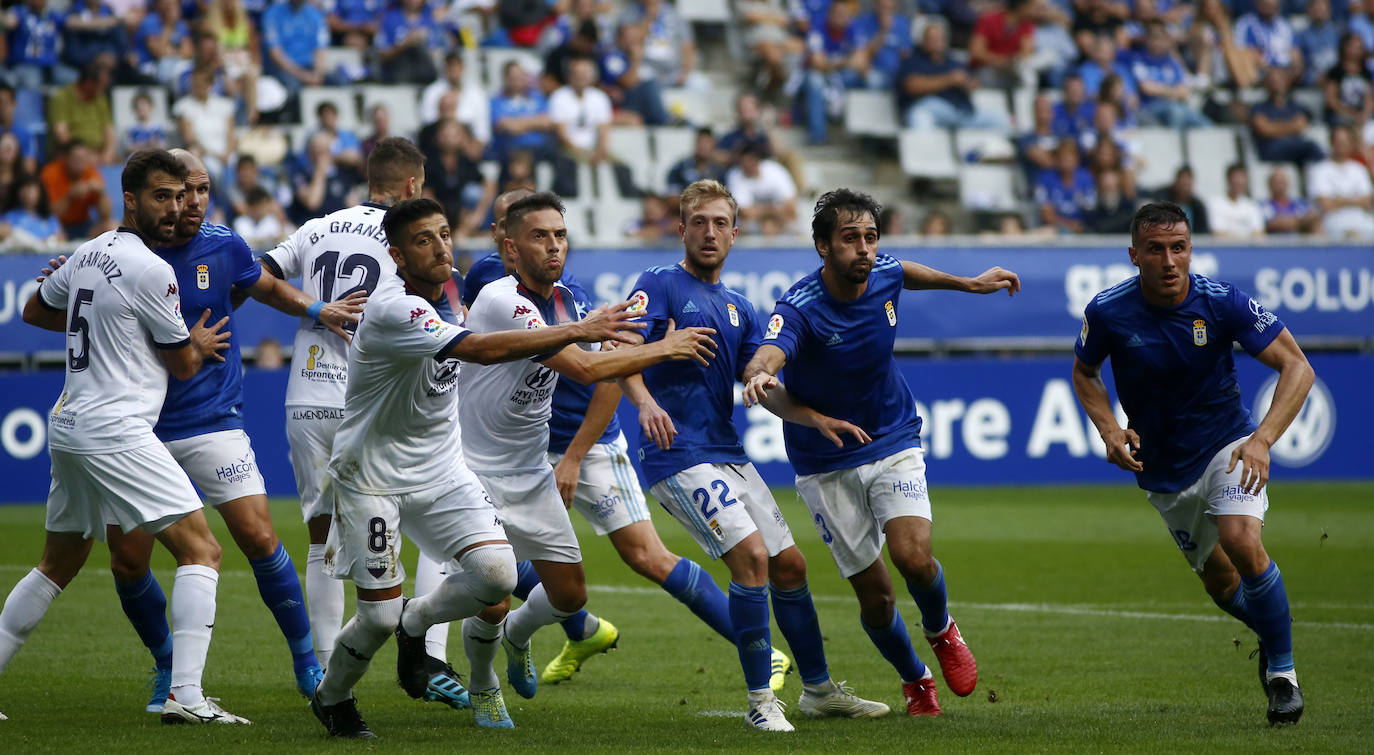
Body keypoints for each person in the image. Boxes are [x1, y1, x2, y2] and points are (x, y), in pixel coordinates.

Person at [308, 197, 653, 738]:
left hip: (443, 470)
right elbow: (483, 350)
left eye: (445, 234)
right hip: (371, 475)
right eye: (424, 240)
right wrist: (578, 331)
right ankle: (333, 697)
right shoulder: (397, 307)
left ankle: (418, 623)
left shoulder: (453, 294)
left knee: (496, 578)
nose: (441, 246)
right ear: (397, 255)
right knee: (376, 616)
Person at [45, 148, 362, 712]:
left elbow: (264, 286)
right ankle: (168, 666)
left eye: (200, 190)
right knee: (128, 561)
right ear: (151, 198)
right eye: (178, 192)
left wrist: (317, 310)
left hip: (212, 421)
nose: (190, 203)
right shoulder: (125, 254)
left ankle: (307, 662)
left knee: (261, 538)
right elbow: (67, 309)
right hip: (137, 432)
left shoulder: (222, 244)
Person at [461, 188, 783, 692]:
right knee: (492, 568)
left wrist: (577, 453)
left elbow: (607, 370)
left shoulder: (578, 300)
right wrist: (660, 353)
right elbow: (585, 362)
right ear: (507, 239)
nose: (551, 246)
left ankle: (762, 655)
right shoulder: (491, 283)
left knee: (643, 557)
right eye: (535, 233)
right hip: (510, 448)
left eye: (559, 235)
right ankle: (444, 653)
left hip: (587, 444)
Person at [620, 180, 891, 731]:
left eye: (720, 223)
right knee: (751, 559)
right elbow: (619, 350)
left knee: (789, 565)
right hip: (676, 454)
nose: (710, 232)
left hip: (726, 451)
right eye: (699, 222)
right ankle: (760, 702)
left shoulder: (739, 306)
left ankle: (817, 691)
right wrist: (645, 401)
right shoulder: (660, 284)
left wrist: (815, 417)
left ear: (736, 233)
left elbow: (759, 380)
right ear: (682, 229)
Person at [741, 188, 1018, 717]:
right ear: (823, 247)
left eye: (870, 237)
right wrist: (758, 375)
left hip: (892, 435)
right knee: (876, 595)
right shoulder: (800, 307)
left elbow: (905, 269)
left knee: (913, 556)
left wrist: (967, 283)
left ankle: (941, 629)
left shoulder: (883, 271)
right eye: (850, 239)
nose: (864, 250)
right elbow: (769, 354)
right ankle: (914, 678)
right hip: (824, 459)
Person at [1, 149, 246, 724]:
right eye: (161, 196)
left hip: (70, 423)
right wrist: (200, 347)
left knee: (56, 563)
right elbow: (183, 366)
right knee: (202, 550)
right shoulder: (152, 270)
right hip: (116, 428)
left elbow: (36, 309)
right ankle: (186, 695)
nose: (175, 207)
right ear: (129, 199)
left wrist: (109, 315)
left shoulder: (88, 253)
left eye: (180, 196)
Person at [1071, 201, 1313, 726]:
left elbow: (1297, 367)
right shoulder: (1108, 311)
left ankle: (1283, 675)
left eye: (1178, 247)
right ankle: (1274, 637)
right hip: (1163, 471)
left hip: (1227, 445)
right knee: (1222, 587)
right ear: (1134, 254)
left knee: (1242, 539)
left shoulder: (1222, 302)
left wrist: (1263, 440)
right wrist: (1110, 431)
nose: (1168, 260)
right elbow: (1084, 373)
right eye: (1155, 250)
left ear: (1190, 249)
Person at [258, 137, 476, 704]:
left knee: (319, 538)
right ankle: (429, 659)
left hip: (308, 394)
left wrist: (313, 308)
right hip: (377, 403)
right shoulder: (408, 238)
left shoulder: (318, 227)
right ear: (411, 187)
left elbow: (256, 275)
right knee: (430, 529)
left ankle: (323, 671)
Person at [1306, 125, 1374, 239]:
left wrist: (1338, 199)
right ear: (1331, 143)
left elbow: (1367, 201)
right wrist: (1355, 200)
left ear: (1351, 144)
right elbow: (1325, 204)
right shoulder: (1319, 170)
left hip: (1361, 220)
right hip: (1332, 220)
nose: (1341, 146)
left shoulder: (1359, 169)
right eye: (1339, 142)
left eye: (1345, 142)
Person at [40, 139, 114, 238]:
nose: (80, 163)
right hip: (56, 226)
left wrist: (101, 193)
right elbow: (47, 212)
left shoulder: (91, 172)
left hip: (84, 224)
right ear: (65, 158)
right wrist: (69, 197)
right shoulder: (50, 173)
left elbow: (106, 216)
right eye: (76, 159)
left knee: (111, 226)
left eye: (84, 159)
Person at [1207, 163, 1266, 238]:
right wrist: (1247, 237)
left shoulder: (1252, 206)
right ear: (1228, 179)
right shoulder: (1215, 203)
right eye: (1236, 178)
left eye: (1242, 178)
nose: (1239, 181)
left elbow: (1259, 233)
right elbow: (1218, 233)